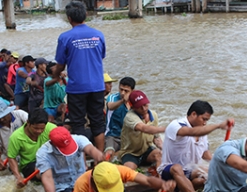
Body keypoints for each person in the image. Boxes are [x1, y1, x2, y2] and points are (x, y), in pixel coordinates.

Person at [52, 1, 106, 152]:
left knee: (77, 123)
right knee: (97, 122)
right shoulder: (98, 35)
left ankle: (81, 159)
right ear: (86, 15)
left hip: (77, 88)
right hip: (97, 86)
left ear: (69, 18)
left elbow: (60, 65)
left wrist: (55, 76)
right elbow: (100, 57)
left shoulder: (65, 37)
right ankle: (100, 158)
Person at [157, 100, 233, 192]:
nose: (205, 123)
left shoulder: (202, 132)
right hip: (169, 172)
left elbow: (205, 154)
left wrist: (219, 166)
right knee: (177, 168)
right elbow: (191, 132)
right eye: (204, 119)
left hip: (188, 172)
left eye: (207, 120)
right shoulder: (176, 125)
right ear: (193, 114)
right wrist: (218, 126)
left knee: (208, 172)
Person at [36, 127, 105, 192]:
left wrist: (98, 155)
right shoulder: (43, 154)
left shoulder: (79, 139)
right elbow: (47, 178)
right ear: (53, 144)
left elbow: (91, 149)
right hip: (62, 186)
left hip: (82, 181)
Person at [7, 108, 56, 188]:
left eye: (42, 128)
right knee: (45, 172)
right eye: (36, 128)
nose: (39, 131)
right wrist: (18, 177)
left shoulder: (52, 129)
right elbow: (11, 158)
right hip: (29, 165)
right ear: (28, 123)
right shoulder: (15, 137)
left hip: (48, 159)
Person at [118, 90, 164, 171]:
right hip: (131, 153)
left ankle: (161, 181)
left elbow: (156, 137)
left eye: (145, 105)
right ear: (132, 106)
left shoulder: (153, 115)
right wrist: (165, 129)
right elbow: (143, 128)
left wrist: (163, 148)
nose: (144, 108)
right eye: (140, 106)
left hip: (147, 150)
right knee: (129, 170)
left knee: (160, 155)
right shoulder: (129, 117)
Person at [0, 100, 28, 171]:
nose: (2, 119)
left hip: (28, 150)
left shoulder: (20, 114)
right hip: (11, 157)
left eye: (3, 116)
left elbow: (32, 125)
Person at [104, 77, 135, 161]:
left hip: (129, 137)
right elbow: (110, 106)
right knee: (109, 153)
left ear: (132, 91)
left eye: (126, 91)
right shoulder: (113, 97)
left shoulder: (135, 101)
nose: (122, 93)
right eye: (121, 89)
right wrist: (122, 101)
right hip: (112, 135)